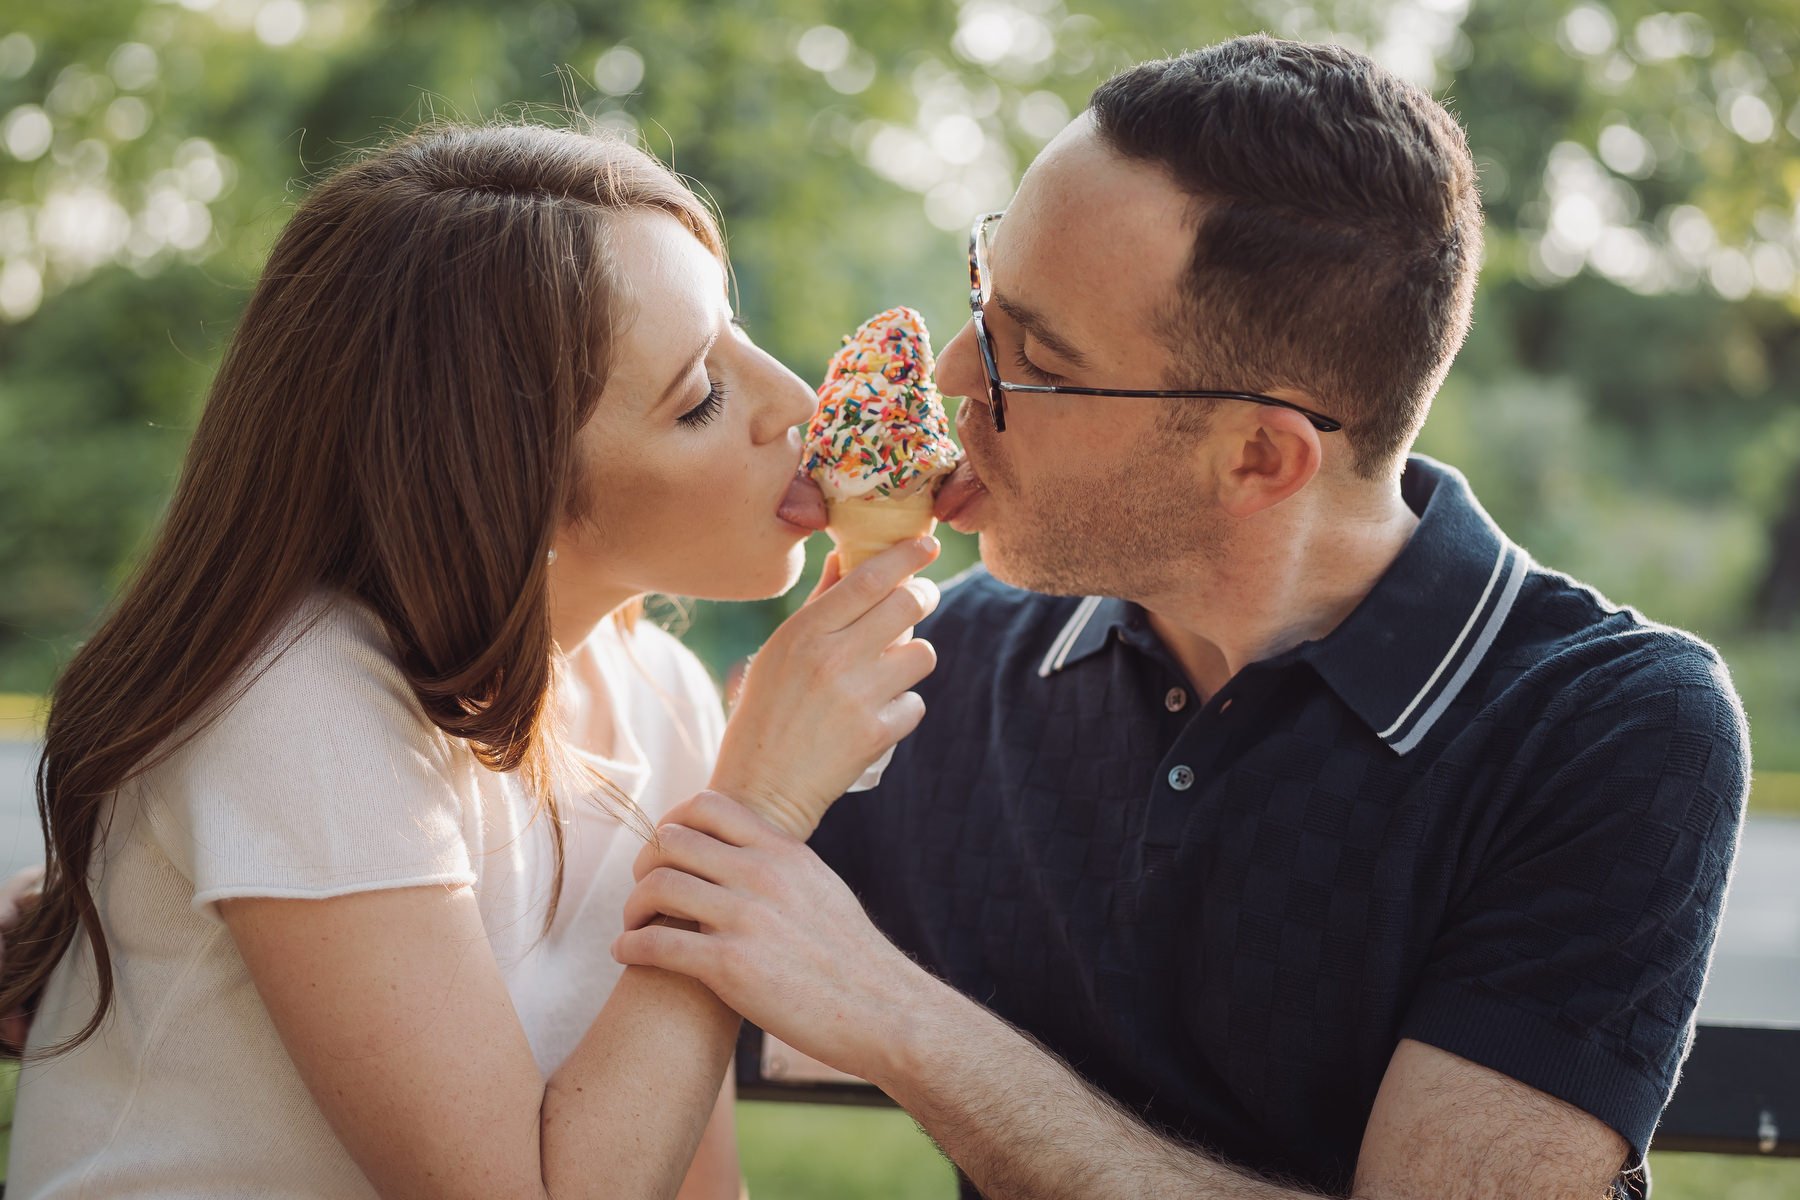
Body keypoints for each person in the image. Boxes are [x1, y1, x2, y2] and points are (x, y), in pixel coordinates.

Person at [615, 37, 1751, 1200]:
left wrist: (898, 1017)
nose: (954, 378)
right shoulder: (943, 669)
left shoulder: (1607, 730)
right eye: (980, 297)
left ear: (1258, 458)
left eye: (1035, 358)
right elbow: (624, 901)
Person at [0, 118, 940, 1198]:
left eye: (740, 335)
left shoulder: (658, 692)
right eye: (700, 397)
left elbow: (693, 1178)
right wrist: (759, 812)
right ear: (499, 475)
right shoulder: (297, 705)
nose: (800, 403)